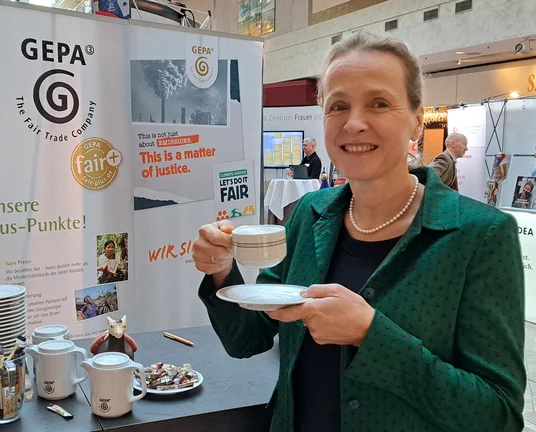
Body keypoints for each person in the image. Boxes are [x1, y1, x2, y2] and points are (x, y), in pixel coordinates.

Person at [193, 32, 525, 432]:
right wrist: (220, 270)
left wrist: (371, 336)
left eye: (379, 103)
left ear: (417, 120)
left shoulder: (478, 236)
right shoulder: (309, 214)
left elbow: (498, 414)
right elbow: (249, 340)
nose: (354, 123)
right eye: (338, 106)